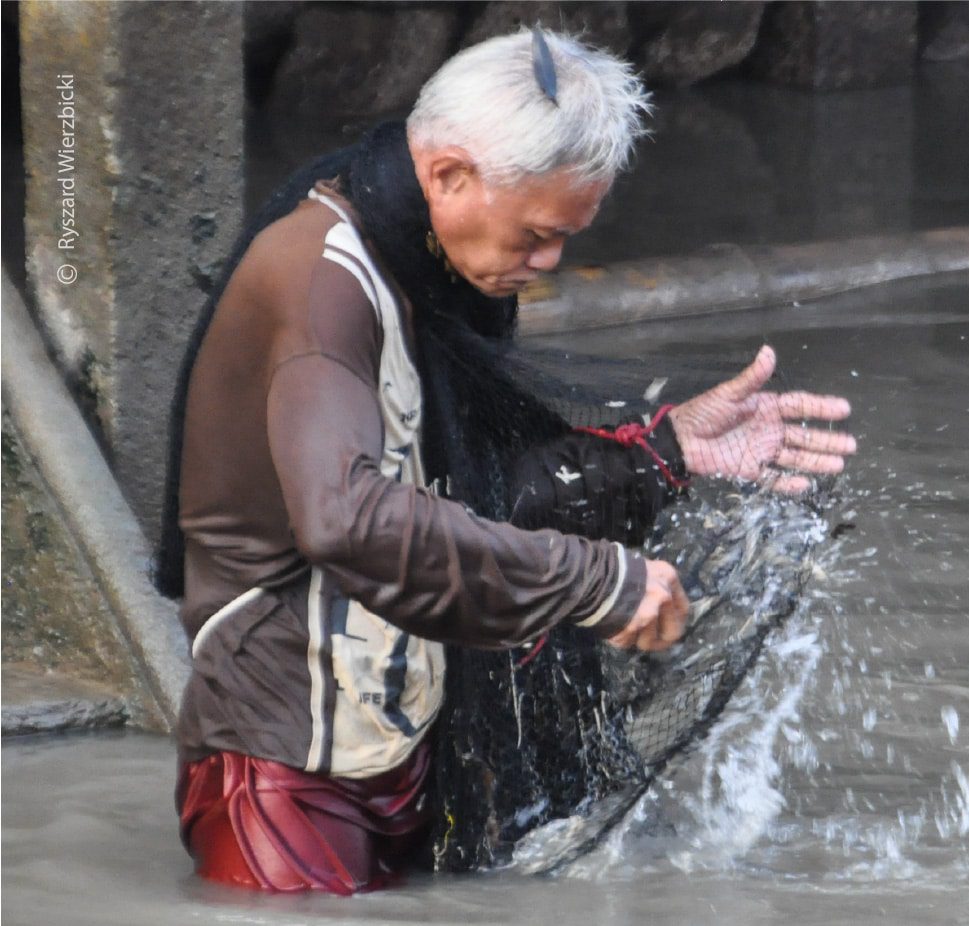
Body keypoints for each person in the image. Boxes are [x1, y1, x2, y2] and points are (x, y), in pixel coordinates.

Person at [158, 28, 855, 895]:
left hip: (408, 742)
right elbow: (346, 520)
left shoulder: (430, 265)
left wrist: (666, 451)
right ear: (450, 174)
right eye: (535, 234)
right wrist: (595, 581)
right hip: (281, 770)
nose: (551, 261)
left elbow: (472, 500)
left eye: (564, 236)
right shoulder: (320, 279)